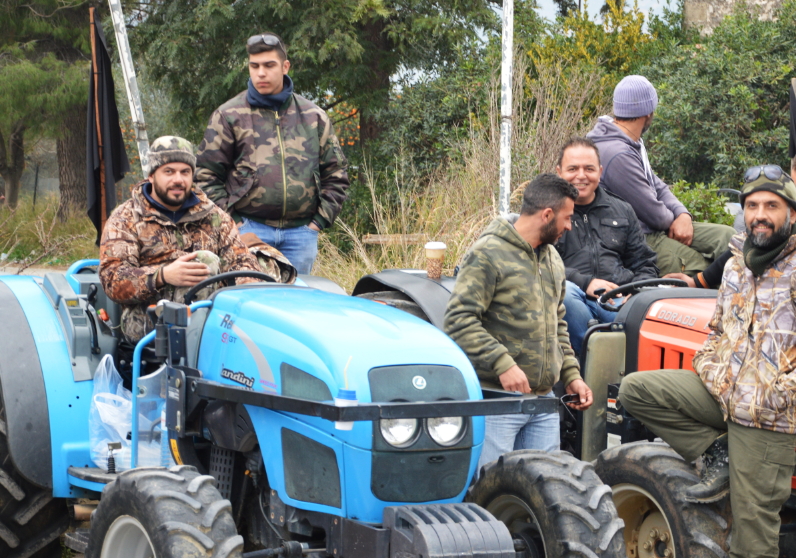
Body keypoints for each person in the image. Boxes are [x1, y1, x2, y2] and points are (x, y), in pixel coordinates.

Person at [618, 165, 796, 557]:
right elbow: (717, 331)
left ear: (792, 213)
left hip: (771, 414)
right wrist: (716, 374)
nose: (760, 214)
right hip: (725, 394)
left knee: (750, 535)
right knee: (636, 390)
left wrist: (778, 393)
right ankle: (721, 451)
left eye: (772, 204)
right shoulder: (736, 265)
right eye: (752, 205)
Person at [443, 174, 594, 470]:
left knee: (545, 493)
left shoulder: (552, 258)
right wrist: (503, 364)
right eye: (567, 218)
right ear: (547, 215)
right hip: (498, 402)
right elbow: (459, 320)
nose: (569, 226)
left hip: (544, 404)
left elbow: (558, 322)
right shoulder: (487, 253)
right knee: (491, 494)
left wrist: (572, 375)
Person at [194, 32, 350, 275]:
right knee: (253, 299)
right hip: (250, 229)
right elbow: (205, 175)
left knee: (296, 305)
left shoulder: (313, 116)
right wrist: (233, 223)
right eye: (254, 66)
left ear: (285, 66)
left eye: (269, 65)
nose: (261, 73)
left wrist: (318, 223)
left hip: (302, 234)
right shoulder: (229, 115)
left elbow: (336, 172)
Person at [100, 136, 263, 345]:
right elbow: (113, 280)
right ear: (151, 176)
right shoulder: (126, 218)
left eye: (185, 172)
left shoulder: (214, 216)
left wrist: (244, 293)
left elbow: (242, 261)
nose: (178, 180)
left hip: (212, 319)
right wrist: (163, 275)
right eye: (169, 172)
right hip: (149, 323)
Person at [587, 75, 735, 277]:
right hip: (640, 236)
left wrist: (683, 215)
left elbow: (657, 186)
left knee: (730, 240)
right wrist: (673, 221)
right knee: (701, 269)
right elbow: (654, 214)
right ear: (648, 113)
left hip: (659, 225)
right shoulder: (617, 154)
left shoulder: (630, 141)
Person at [553, 137, 658, 355]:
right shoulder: (547, 212)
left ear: (600, 172)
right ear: (559, 172)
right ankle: (597, 362)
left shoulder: (622, 209)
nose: (581, 176)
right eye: (573, 168)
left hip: (617, 300)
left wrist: (635, 292)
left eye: (589, 169)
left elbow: (645, 263)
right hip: (572, 297)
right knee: (568, 296)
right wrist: (585, 282)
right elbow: (538, 263)